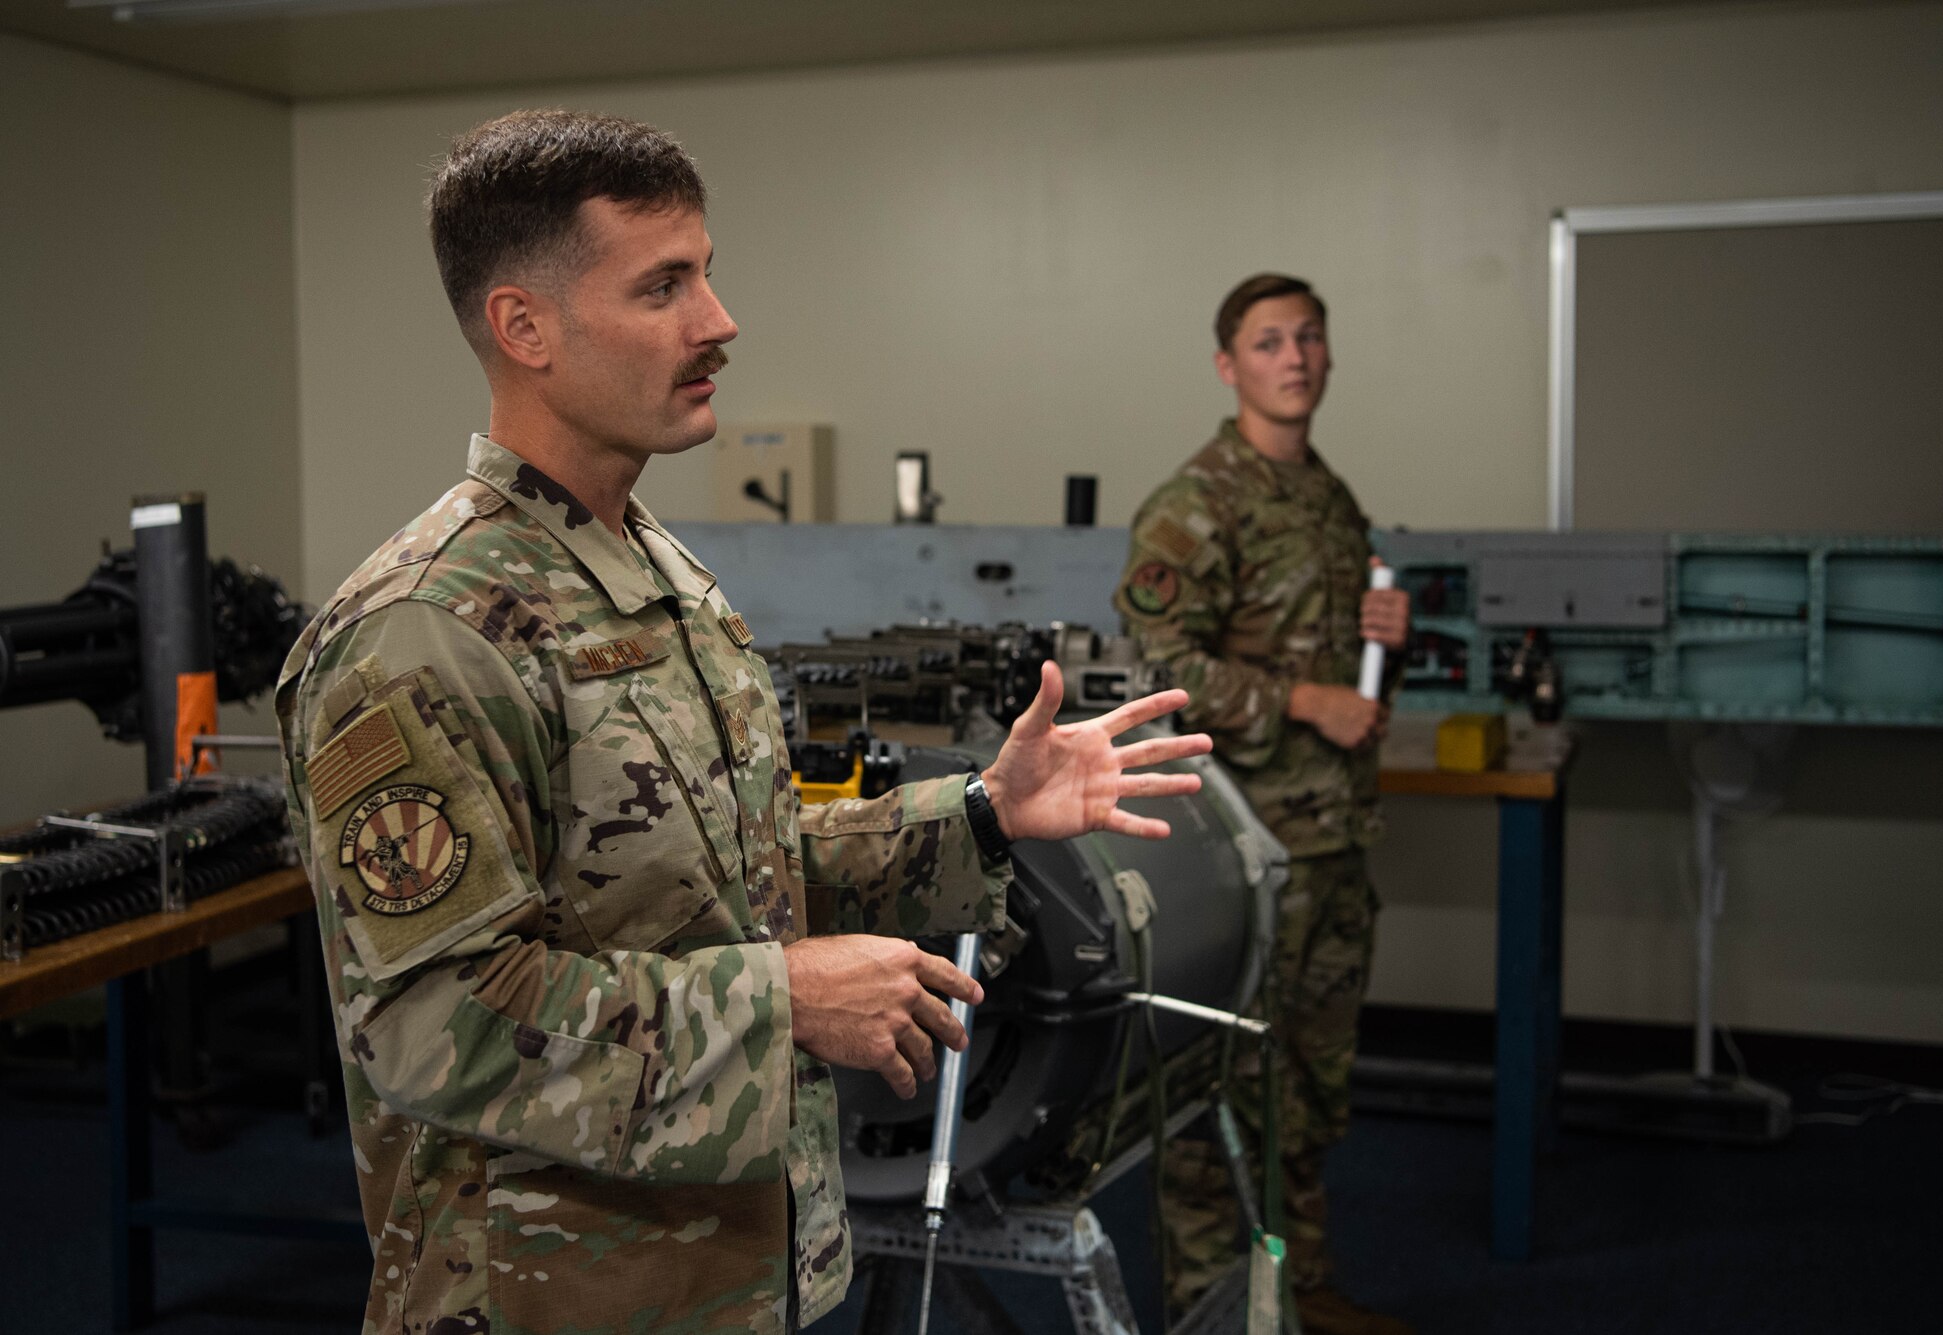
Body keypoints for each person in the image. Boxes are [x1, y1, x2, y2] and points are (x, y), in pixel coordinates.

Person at [274, 109, 1212, 1335]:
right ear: (524, 327)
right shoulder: (424, 628)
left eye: (705, 275)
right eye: (662, 286)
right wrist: (786, 1002)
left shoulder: (653, 571)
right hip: (551, 1299)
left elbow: (722, 876)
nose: (717, 320)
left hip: (731, 1273)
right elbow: (429, 1024)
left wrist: (982, 814)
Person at [1113, 273, 1413, 1334]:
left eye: (1309, 338)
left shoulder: (1325, 497)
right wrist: (1300, 700)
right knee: (1223, 1096)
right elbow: (1159, 665)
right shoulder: (1199, 501)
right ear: (1227, 365)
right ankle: (1216, 1315)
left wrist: (1383, 645)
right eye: (1269, 341)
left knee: (1311, 1087)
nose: (1294, 357)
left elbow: (1333, 669)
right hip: (1242, 855)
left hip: (1330, 838)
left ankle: (1300, 1293)